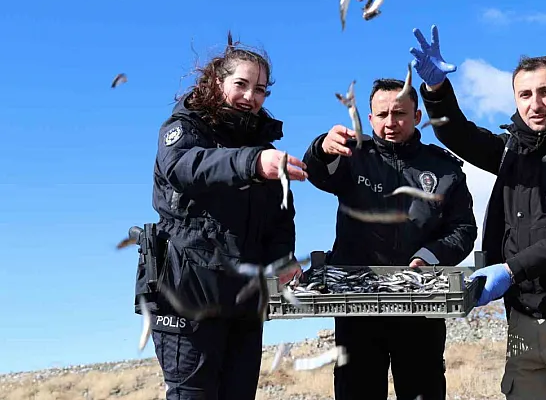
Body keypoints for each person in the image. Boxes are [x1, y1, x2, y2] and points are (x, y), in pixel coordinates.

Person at [409, 25, 546, 400]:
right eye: (525, 95)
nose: (535, 103)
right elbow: (459, 135)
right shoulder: (512, 150)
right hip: (524, 323)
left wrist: (510, 270)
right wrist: (436, 89)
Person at [132, 34, 308, 400]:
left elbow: (279, 215)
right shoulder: (184, 129)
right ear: (217, 82)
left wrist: (283, 257)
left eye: (260, 90)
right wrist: (251, 163)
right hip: (186, 298)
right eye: (241, 84)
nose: (250, 96)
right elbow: (185, 167)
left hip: (244, 304)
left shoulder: (262, 147)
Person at [302, 78, 478, 400]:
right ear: (370, 119)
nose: (390, 123)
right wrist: (320, 148)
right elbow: (316, 172)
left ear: (417, 116)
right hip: (356, 305)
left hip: (421, 304)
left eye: (399, 114)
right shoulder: (352, 155)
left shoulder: (444, 168)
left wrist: (429, 256)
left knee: (424, 390)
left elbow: (463, 229)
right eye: (382, 115)